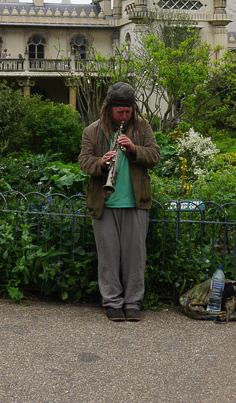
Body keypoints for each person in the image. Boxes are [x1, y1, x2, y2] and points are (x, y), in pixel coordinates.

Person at [78, 82, 160, 322]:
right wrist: (101, 163)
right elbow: (84, 162)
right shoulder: (92, 131)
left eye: (128, 111)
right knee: (108, 257)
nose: (125, 116)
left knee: (136, 256)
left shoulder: (142, 127)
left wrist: (134, 149)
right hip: (104, 203)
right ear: (109, 108)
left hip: (135, 202)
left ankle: (133, 303)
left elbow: (155, 155)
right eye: (120, 112)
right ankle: (112, 303)